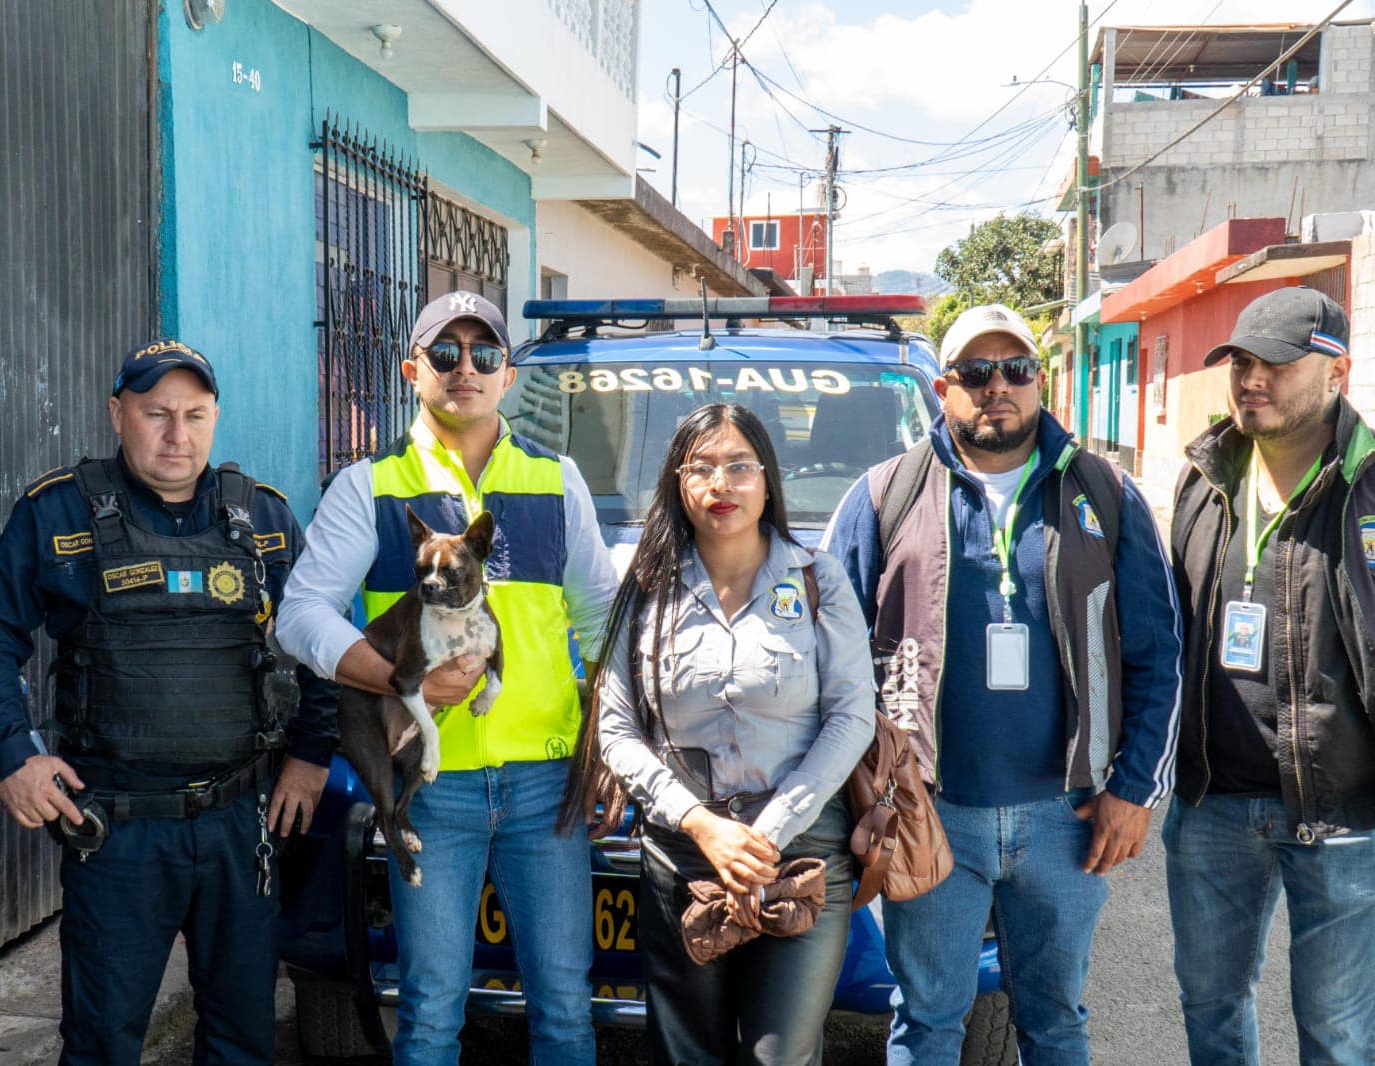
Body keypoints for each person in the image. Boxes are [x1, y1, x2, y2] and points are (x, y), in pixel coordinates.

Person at [0, 340, 337, 1065]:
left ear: (215, 418)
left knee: (244, 1038)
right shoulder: (58, 513)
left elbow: (318, 637)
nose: (177, 434)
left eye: (195, 415)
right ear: (117, 414)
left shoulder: (261, 517)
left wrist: (312, 756)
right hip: (119, 830)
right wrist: (14, 756)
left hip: (239, 823)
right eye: (156, 414)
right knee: (103, 1042)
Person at [822, 303, 1182, 1064]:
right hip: (932, 813)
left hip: (1067, 819)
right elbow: (834, 659)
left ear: (1039, 381)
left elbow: (1159, 654)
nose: (998, 388)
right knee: (926, 1023)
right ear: (945, 387)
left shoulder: (1104, 494)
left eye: (1015, 370)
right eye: (977, 373)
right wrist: (869, 794)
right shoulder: (883, 494)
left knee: (1056, 1023)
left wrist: (1134, 789)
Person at [274, 290, 619, 1065]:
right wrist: (404, 682)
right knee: (430, 1017)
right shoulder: (368, 486)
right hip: (432, 794)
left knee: (565, 1010)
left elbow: (602, 629)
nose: (466, 367)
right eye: (445, 352)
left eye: (486, 353)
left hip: (545, 786)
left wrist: (608, 750)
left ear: (508, 376)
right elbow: (300, 616)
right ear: (412, 370)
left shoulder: (556, 480)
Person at [572, 402, 876, 1064]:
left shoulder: (818, 579)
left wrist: (767, 833)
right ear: (679, 485)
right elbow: (618, 727)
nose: (722, 485)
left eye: (740, 466)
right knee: (687, 1055)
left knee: (781, 1055)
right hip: (684, 856)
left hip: (800, 858)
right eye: (701, 467)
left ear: (767, 480)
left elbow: (853, 714)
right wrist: (702, 825)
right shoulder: (647, 588)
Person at [1165, 286, 1375, 1065]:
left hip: (1344, 815)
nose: (1253, 378)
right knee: (1211, 1012)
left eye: (1277, 364)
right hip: (1214, 804)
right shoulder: (1204, 478)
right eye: (1242, 362)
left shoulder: (1370, 487)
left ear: (1337, 371)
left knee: (1339, 1034)